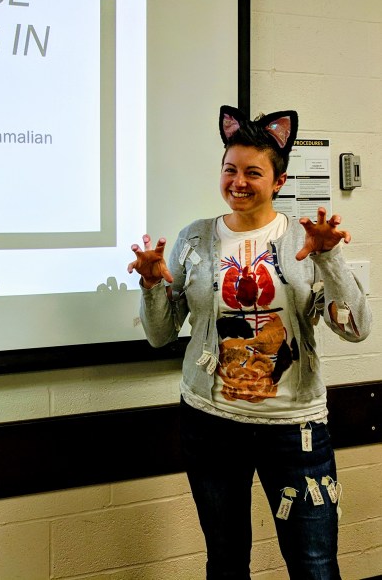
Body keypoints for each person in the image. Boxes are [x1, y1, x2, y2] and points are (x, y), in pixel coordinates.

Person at [127, 106, 371, 580]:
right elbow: (160, 335)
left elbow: (356, 328)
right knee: (225, 559)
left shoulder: (304, 240)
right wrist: (153, 287)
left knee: (315, 565)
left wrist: (330, 258)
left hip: (293, 429)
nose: (238, 182)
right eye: (230, 170)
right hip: (210, 426)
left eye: (253, 173)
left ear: (277, 182)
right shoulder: (194, 238)